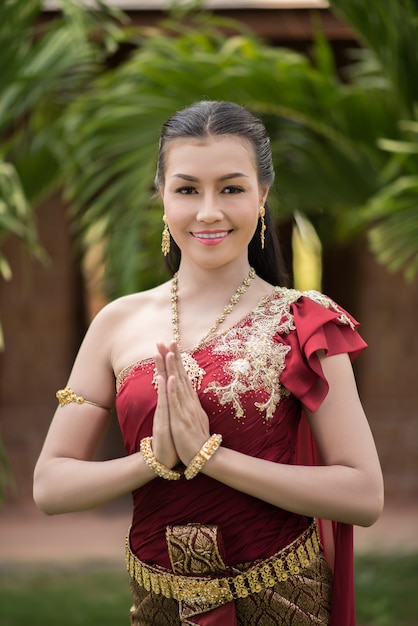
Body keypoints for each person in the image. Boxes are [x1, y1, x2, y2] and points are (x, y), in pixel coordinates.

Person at [33, 100, 384, 626]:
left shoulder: (305, 323)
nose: (208, 211)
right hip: (157, 607)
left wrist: (209, 457)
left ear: (263, 196)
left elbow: (363, 493)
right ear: (163, 196)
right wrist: (155, 460)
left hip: (283, 603)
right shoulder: (117, 322)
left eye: (232, 188)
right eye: (187, 189)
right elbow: (50, 485)